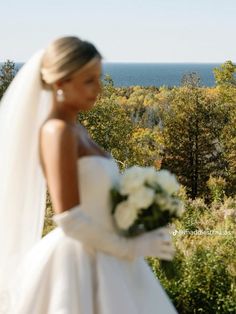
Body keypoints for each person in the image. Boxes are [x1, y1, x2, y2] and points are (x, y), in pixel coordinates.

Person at [0, 36, 178, 314]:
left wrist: (139, 224)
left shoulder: (78, 132)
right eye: (88, 81)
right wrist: (129, 247)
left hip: (108, 258)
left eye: (98, 78)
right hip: (77, 266)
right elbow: (69, 218)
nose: (98, 88)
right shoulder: (56, 133)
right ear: (60, 82)